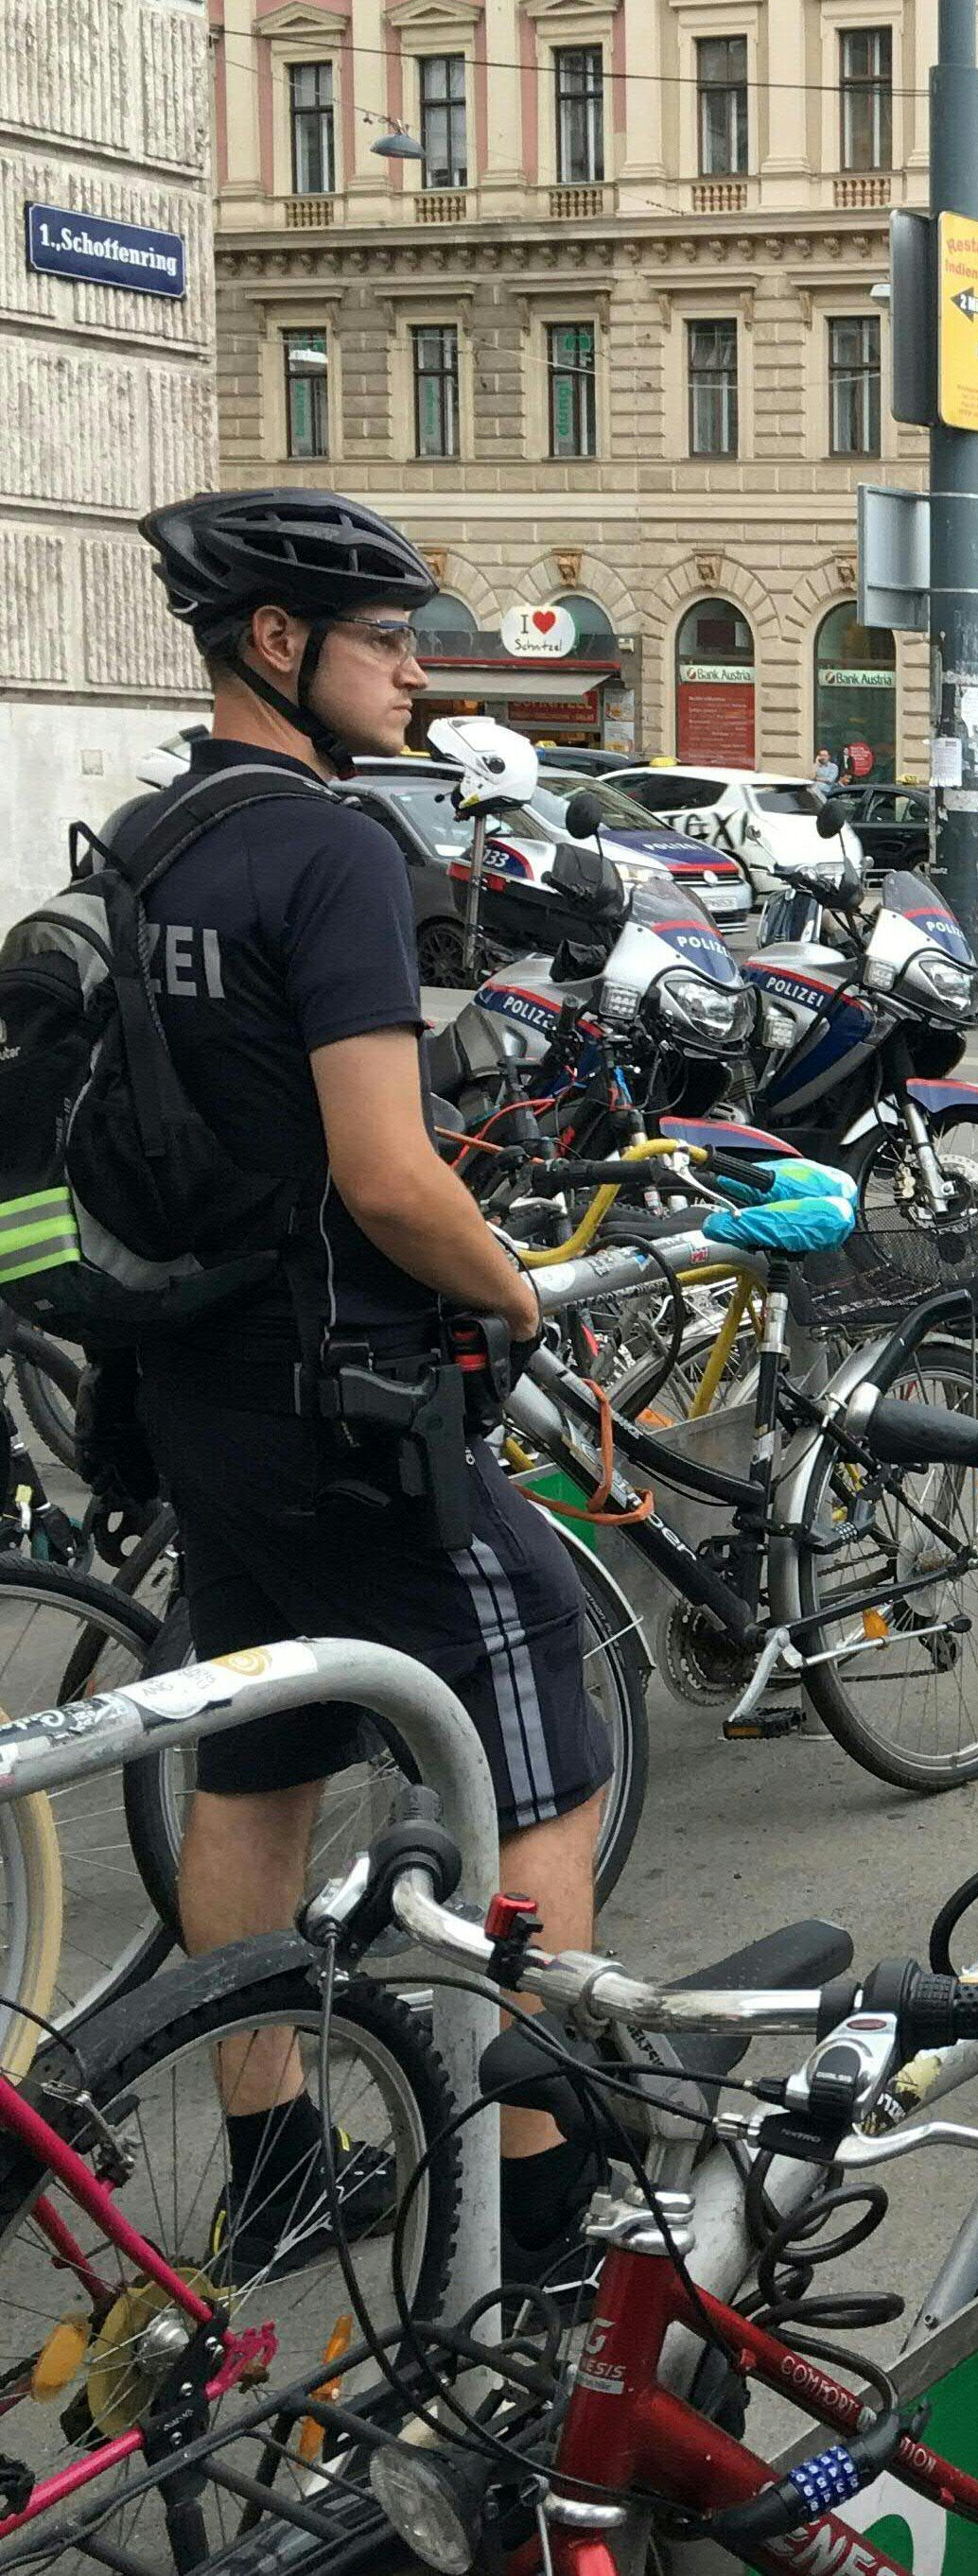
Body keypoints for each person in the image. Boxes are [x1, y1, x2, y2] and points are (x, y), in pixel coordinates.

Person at [129, 489, 608, 2284]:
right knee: (542, 1712)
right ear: (277, 641)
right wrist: (516, 1290)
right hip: (353, 1405)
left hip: (197, 1393)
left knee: (256, 1767)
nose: (418, 672)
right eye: (388, 641)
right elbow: (391, 1176)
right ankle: (547, 2202)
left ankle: (271, 2166)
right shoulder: (329, 852)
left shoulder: (149, 839)